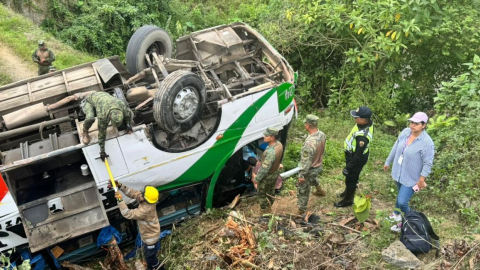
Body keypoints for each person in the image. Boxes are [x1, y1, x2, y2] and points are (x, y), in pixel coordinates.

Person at [383, 112, 434, 232]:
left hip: (412, 177)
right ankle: (396, 214)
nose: (412, 125)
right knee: (400, 193)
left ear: (423, 125)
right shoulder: (406, 132)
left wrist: (422, 179)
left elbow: (428, 163)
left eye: (416, 124)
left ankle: (410, 223)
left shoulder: (427, 142)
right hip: (399, 172)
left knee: (402, 201)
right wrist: (388, 161)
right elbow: (396, 146)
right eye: (411, 122)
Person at [111, 182, 162, 270]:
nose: (140, 195)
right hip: (153, 232)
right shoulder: (147, 200)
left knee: (150, 258)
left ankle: (157, 267)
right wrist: (120, 186)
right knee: (151, 255)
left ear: (146, 199)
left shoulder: (145, 211)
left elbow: (127, 213)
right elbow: (134, 193)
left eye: (142, 195)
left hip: (150, 238)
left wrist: (120, 200)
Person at [334, 106, 374, 207]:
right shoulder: (364, 123)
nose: (354, 119)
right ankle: (347, 192)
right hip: (354, 155)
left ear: (363, 120)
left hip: (356, 158)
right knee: (350, 177)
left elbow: (358, 156)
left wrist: (348, 167)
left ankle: (347, 200)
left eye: (356, 117)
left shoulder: (363, 137)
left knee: (351, 178)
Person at [81, 92, 133, 161]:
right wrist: (102, 151)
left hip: (104, 95)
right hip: (90, 100)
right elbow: (102, 134)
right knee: (90, 118)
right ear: (110, 117)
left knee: (130, 113)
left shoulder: (121, 105)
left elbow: (127, 115)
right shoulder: (102, 115)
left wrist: (128, 126)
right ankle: (85, 131)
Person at [297, 114, 327, 214]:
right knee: (313, 178)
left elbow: (305, 162)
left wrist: (301, 175)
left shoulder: (309, 143)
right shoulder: (322, 134)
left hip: (310, 168)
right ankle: (319, 190)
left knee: (303, 190)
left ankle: (301, 210)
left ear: (307, 125)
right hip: (318, 165)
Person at [252, 127, 283, 212]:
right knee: (271, 190)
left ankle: (264, 210)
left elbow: (264, 169)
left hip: (268, 175)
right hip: (275, 173)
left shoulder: (270, 152)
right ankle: (270, 205)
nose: (264, 137)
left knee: (261, 193)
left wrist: (256, 179)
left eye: (266, 136)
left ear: (272, 137)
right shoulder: (279, 144)